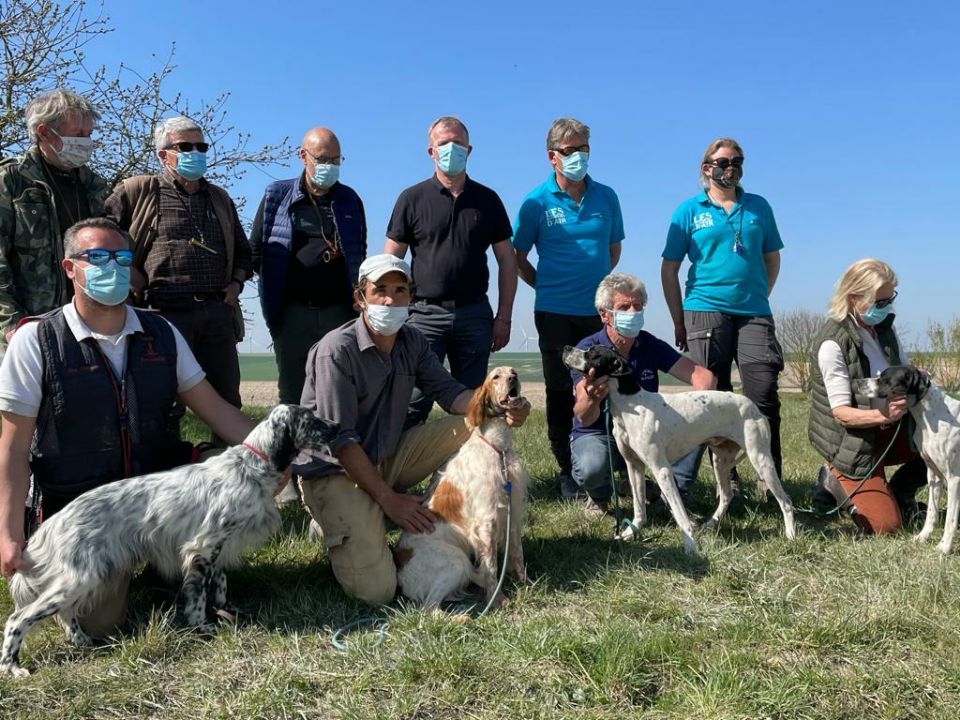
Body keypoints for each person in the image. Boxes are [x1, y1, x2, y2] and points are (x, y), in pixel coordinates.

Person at [0, 218, 256, 635]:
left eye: (121, 258)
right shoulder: (37, 341)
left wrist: (273, 456)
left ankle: (170, 565)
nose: (111, 267)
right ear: (70, 269)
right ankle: (156, 570)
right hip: (88, 512)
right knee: (99, 622)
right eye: (96, 257)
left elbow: (217, 410)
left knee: (223, 467)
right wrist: (8, 536)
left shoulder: (160, 332)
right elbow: (12, 450)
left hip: (157, 500)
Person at [295, 254, 529, 605]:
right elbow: (341, 443)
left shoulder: (412, 342)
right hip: (334, 470)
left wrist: (500, 405)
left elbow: (451, 395)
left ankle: (451, 517)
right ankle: (337, 518)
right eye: (380, 291)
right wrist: (389, 502)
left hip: (382, 457)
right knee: (377, 592)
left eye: (400, 291)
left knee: (469, 425)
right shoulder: (336, 351)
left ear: (411, 298)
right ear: (360, 297)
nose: (390, 300)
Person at [104, 116, 253, 417]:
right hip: (160, 314)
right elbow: (99, 239)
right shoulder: (138, 191)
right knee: (161, 404)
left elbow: (245, 253)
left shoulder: (220, 198)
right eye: (185, 146)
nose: (195, 152)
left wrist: (235, 286)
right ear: (163, 154)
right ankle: (166, 463)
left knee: (227, 401)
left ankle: (229, 460)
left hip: (215, 314)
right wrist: (132, 277)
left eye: (201, 146)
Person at [661, 137, 785, 498]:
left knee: (762, 394)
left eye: (738, 161)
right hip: (703, 308)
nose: (731, 167)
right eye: (723, 161)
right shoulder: (688, 210)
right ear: (707, 168)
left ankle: (769, 478)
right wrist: (678, 319)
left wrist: (760, 294)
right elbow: (669, 269)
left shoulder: (758, 206)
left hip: (754, 312)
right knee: (711, 396)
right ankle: (724, 481)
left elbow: (772, 259)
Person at [513, 117, 624, 499]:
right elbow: (517, 256)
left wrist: (597, 290)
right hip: (554, 313)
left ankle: (608, 464)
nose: (578, 156)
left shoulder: (606, 197)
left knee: (603, 385)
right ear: (552, 157)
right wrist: (543, 284)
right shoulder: (535, 203)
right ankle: (568, 472)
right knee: (561, 392)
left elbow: (613, 249)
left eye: (584, 149)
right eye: (570, 150)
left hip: (598, 314)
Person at [385, 116, 516, 426]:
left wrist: (504, 316)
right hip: (423, 316)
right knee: (412, 402)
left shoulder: (488, 200)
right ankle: (399, 472)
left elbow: (507, 261)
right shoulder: (411, 198)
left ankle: (470, 473)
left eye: (458, 143)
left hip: (474, 315)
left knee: (473, 405)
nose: (451, 148)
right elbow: (391, 262)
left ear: (469, 150)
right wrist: (390, 316)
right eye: (444, 143)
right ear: (431, 151)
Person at [570, 273, 716, 518]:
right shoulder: (588, 350)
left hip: (646, 432)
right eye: (624, 307)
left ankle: (672, 495)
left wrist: (697, 410)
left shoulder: (649, 344)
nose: (633, 312)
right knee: (591, 467)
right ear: (604, 314)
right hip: (600, 433)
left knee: (697, 422)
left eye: (638, 306)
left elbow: (703, 376)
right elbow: (583, 415)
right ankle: (601, 495)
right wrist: (593, 396)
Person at [808, 259, 926, 534]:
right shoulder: (832, 343)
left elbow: (897, 373)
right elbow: (841, 412)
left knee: (949, 440)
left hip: (889, 428)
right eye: (880, 301)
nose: (887, 307)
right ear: (853, 298)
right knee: (886, 526)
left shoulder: (886, 327)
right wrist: (880, 413)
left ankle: (899, 493)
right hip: (853, 441)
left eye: (890, 298)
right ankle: (833, 477)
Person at [251, 126, 366, 405]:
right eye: (323, 159)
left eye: (336, 160)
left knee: (337, 390)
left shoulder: (350, 200)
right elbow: (256, 250)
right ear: (303, 156)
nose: (330, 166)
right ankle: (290, 449)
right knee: (292, 393)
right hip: (292, 314)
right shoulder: (277, 196)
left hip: (338, 314)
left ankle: (333, 448)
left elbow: (358, 254)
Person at [0, 89, 109, 352]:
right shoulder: (11, 180)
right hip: (25, 328)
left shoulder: (95, 186)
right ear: (44, 132)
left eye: (89, 135)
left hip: (87, 327)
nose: (86, 142)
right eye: (78, 135)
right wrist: (11, 324)